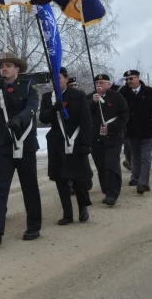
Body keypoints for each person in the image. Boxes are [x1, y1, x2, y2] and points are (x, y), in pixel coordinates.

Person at [0, 52, 41, 246]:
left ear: (17, 69)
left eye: (8, 65)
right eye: (2, 66)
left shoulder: (29, 86)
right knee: (1, 188)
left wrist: (19, 119)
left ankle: (34, 226)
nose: (4, 69)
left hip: (24, 141)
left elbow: (31, 108)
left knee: (29, 186)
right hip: (4, 144)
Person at [39, 67, 93, 225]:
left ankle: (83, 207)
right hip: (56, 141)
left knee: (78, 178)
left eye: (59, 78)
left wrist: (86, 143)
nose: (56, 82)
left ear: (66, 79)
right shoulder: (48, 97)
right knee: (60, 179)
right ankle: (67, 214)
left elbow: (86, 120)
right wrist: (53, 109)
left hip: (75, 140)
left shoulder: (78, 95)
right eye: (53, 79)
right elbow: (43, 118)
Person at [118, 70, 152, 194]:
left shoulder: (150, 92)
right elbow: (112, 98)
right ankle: (135, 177)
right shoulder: (123, 92)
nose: (129, 81)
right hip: (131, 130)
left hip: (147, 129)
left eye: (131, 78)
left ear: (138, 78)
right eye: (127, 79)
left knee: (145, 157)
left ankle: (143, 182)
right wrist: (115, 85)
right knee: (135, 156)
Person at [89, 74, 129, 206]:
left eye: (101, 82)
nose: (99, 85)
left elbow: (125, 115)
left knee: (112, 164)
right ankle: (106, 191)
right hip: (96, 138)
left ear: (108, 84)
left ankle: (113, 194)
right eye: (97, 83)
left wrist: (111, 127)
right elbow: (84, 114)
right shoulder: (90, 97)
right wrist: (92, 103)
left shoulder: (116, 96)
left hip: (113, 138)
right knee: (101, 166)